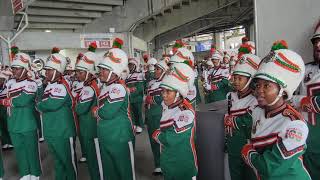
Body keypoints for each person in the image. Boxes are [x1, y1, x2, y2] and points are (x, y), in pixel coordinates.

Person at [241, 48, 311, 180]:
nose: (259, 91)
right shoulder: (256, 111)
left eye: (267, 86)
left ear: (283, 91)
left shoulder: (295, 124)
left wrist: (248, 153)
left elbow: (270, 168)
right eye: (257, 85)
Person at [93, 48, 136, 180]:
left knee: (124, 172)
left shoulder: (118, 88)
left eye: (104, 69)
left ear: (113, 72)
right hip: (106, 136)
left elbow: (107, 112)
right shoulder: (106, 87)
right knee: (110, 173)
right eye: (101, 69)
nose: (101, 72)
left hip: (119, 137)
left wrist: (97, 111)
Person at [152, 62, 197, 180]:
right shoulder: (171, 107)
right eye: (163, 91)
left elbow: (170, 138)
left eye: (168, 92)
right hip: (169, 163)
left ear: (178, 93)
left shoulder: (185, 112)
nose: (164, 95)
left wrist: (157, 135)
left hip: (182, 167)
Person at [0, 53, 42, 180]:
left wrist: (5, 101)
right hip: (13, 123)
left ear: (25, 69)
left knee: (32, 150)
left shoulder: (31, 83)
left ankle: (35, 173)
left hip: (27, 123)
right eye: (13, 68)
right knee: (19, 151)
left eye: (17, 68)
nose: (14, 71)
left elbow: (22, 100)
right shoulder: (10, 83)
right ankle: (25, 173)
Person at [37, 53, 77, 180]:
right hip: (53, 132)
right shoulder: (51, 85)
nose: (46, 73)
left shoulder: (61, 85)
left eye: (49, 70)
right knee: (58, 163)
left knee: (68, 164)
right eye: (46, 70)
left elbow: (50, 105)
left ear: (58, 71)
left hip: (63, 133)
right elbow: (43, 103)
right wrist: (41, 104)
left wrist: (40, 105)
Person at [291, 20, 320, 180]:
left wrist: (305, 101)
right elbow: (288, 95)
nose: (318, 45)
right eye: (316, 41)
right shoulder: (304, 69)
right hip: (306, 140)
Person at [224, 54, 261, 180]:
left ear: (250, 80)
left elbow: (250, 119)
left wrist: (231, 121)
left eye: (240, 79)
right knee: (235, 175)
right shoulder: (230, 96)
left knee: (249, 175)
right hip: (232, 144)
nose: (236, 82)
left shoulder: (256, 99)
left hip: (248, 145)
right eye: (235, 78)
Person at [74, 51, 101, 180]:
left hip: (90, 128)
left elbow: (80, 109)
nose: (77, 75)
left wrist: (74, 104)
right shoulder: (89, 85)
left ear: (89, 73)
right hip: (88, 127)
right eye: (77, 72)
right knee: (92, 158)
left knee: (94, 159)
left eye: (80, 72)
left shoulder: (89, 88)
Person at [145, 60, 169, 176]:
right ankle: (157, 164)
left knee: (160, 139)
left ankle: (164, 164)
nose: (155, 71)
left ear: (164, 71)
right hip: (150, 113)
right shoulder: (152, 82)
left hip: (160, 113)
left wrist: (153, 100)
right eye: (155, 69)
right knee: (152, 140)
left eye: (158, 69)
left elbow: (165, 98)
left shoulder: (166, 82)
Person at [126, 57, 145, 134]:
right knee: (132, 113)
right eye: (129, 65)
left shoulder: (139, 74)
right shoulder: (127, 75)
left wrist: (131, 93)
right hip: (130, 98)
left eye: (131, 65)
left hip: (137, 98)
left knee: (138, 112)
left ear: (135, 66)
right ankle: (134, 125)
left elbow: (139, 88)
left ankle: (140, 125)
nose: (130, 66)